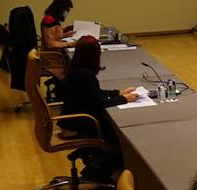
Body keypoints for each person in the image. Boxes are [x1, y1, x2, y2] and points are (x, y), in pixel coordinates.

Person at [59, 36, 139, 182]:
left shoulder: (76, 70)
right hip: (78, 123)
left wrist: (117, 93)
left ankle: (97, 160)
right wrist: (123, 99)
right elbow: (98, 103)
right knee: (119, 134)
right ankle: (96, 168)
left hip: (71, 120)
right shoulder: (85, 75)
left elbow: (94, 94)